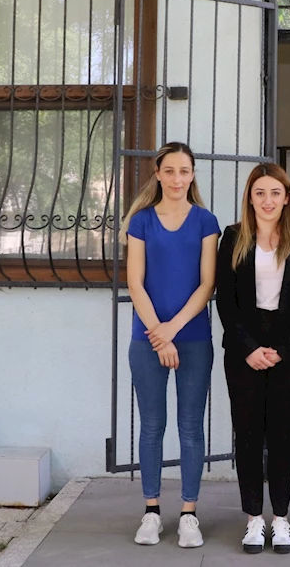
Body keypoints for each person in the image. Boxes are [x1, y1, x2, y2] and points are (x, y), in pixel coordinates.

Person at [215, 163, 290, 555]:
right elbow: (225, 300)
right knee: (247, 435)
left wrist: (283, 349)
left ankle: (280, 519)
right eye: (259, 192)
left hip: (287, 348)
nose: (267, 200)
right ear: (249, 198)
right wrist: (248, 348)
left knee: (281, 436)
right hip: (243, 348)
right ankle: (253, 520)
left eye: (275, 192)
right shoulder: (233, 237)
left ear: (287, 197)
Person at [124, 142, 221, 549]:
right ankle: (151, 512)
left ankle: (188, 515)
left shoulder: (206, 221)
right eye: (170, 171)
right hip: (146, 339)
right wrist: (158, 334)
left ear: (192, 175)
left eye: (184, 171)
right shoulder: (142, 221)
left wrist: (173, 331)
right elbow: (135, 283)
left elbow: (207, 284)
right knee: (151, 426)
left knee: (190, 427)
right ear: (158, 174)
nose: (177, 178)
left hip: (193, 338)